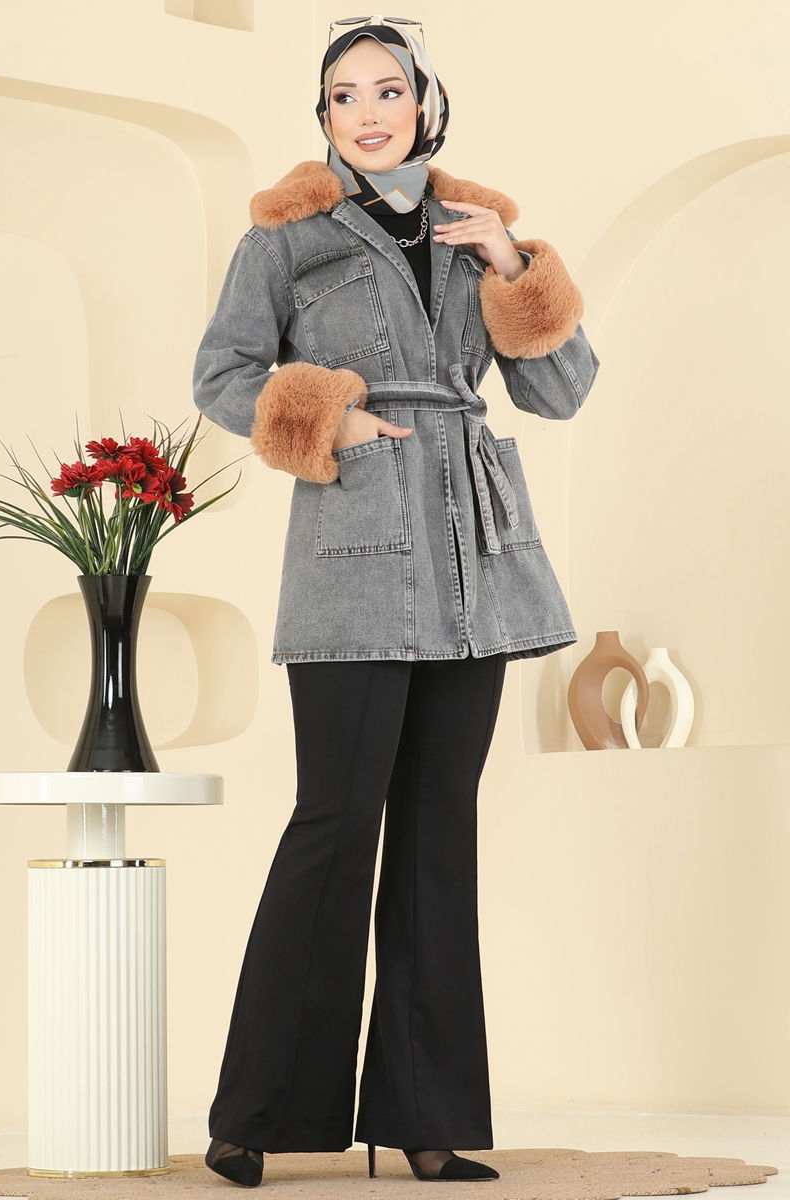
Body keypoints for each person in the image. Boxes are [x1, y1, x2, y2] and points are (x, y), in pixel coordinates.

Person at [192, 15, 601, 1189]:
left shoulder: (482, 231)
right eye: (342, 95)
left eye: (386, 89)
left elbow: (561, 392)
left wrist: (511, 267)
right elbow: (221, 375)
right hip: (353, 554)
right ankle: (255, 1112)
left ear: (425, 102)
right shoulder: (286, 236)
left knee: (436, 830)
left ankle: (425, 1119)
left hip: (475, 561)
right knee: (334, 823)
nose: (366, 111)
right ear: (322, 117)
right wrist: (336, 418)